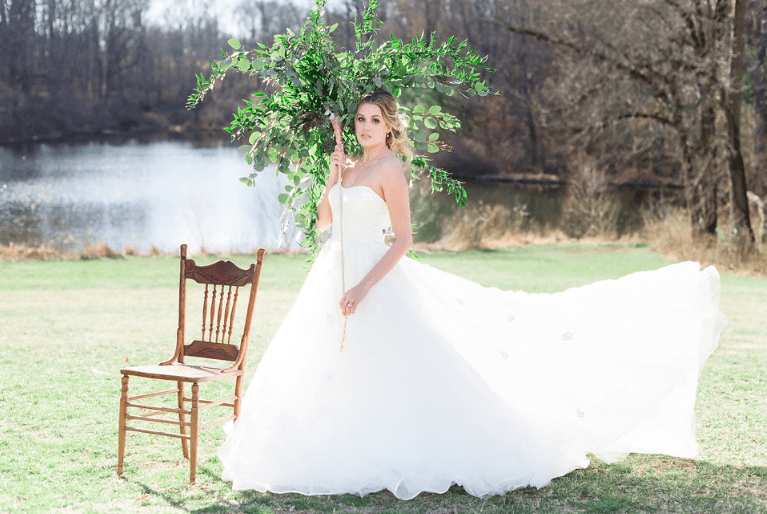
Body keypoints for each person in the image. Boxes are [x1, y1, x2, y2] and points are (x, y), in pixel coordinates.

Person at [218, 89, 726, 500]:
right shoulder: (349, 166)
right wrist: (333, 174)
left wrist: (363, 286)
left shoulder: (390, 169)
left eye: (375, 120)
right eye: (360, 119)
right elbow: (324, 223)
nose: (366, 127)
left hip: (371, 279)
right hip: (330, 275)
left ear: (389, 127)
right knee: (329, 363)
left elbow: (404, 240)